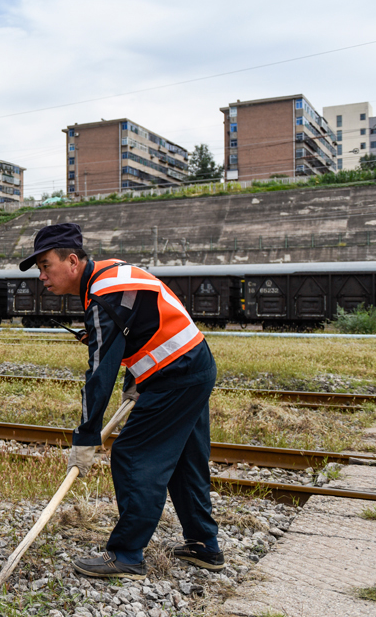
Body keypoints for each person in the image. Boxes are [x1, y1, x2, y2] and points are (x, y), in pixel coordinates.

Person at [19, 222, 223, 579]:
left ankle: (126, 554)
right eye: (39, 269)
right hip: (194, 364)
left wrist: (85, 438)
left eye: (45, 266)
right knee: (186, 458)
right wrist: (135, 379)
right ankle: (204, 546)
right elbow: (143, 324)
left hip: (175, 374)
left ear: (71, 261)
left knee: (133, 455)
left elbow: (99, 374)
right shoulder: (110, 275)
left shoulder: (103, 295)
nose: (42, 276)